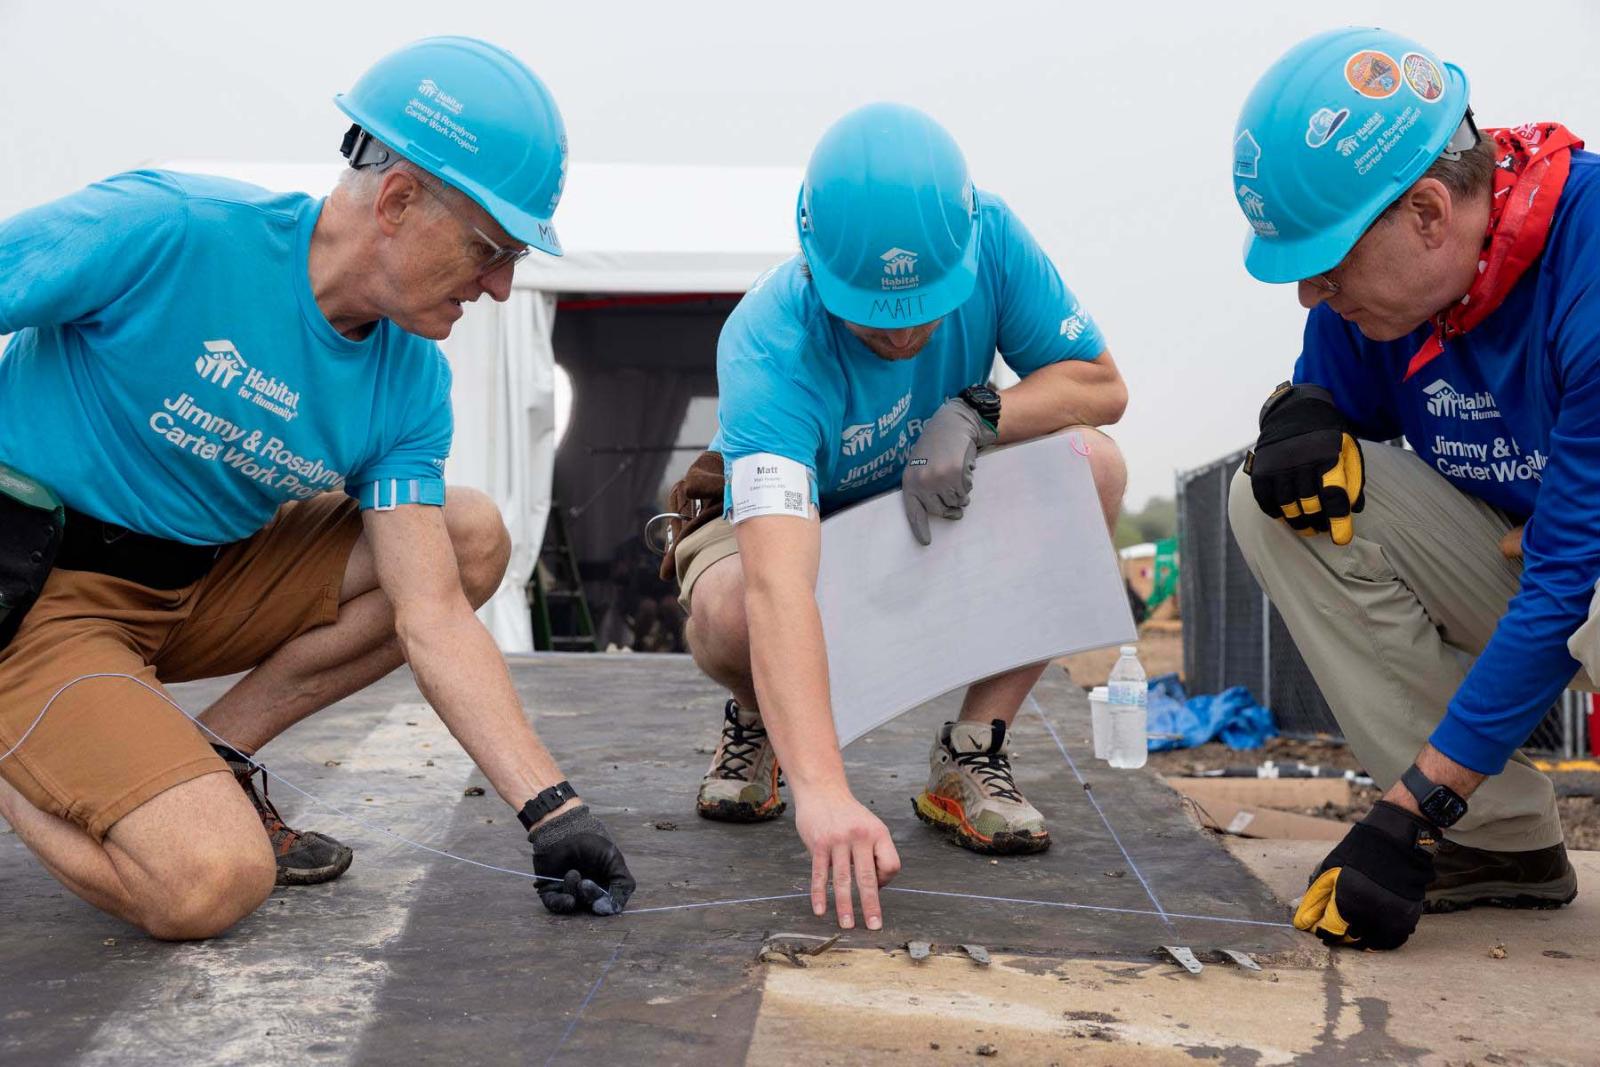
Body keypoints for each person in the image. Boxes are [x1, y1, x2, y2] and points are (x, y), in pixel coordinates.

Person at [0, 36, 634, 940]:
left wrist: (553, 808)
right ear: (400, 197)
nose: (499, 287)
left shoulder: (408, 377)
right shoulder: (171, 232)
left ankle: (210, 758)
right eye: (489, 248)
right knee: (208, 882)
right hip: (43, 591)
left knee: (466, 535)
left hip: (201, 580)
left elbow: (432, 614)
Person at [669, 103, 1128, 931]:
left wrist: (976, 412)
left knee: (1091, 467)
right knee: (732, 610)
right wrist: (826, 791)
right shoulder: (767, 342)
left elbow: (1100, 387)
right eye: (878, 315)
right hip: (800, 535)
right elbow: (779, 586)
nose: (907, 333)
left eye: (925, 306)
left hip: (928, 502)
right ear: (815, 265)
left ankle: (971, 751)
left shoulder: (990, 236)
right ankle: (765, 721)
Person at [1226, 26, 1586, 951]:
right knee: (1273, 503)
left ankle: (1453, 816)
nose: (1311, 293)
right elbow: (1317, 409)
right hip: (1544, 568)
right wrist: (1293, 417)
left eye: (1327, 263)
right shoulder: (1381, 304)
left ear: (1428, 212)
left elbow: (1567, 586)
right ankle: (1501, 841)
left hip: (1580, 585)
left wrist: (1411, 814)